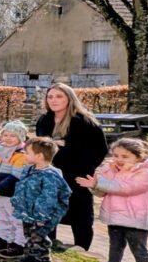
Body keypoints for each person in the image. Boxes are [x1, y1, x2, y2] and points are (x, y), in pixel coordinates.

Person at [34, 82, 107, 251]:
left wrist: (84, 167)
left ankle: (81, 247)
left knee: (80, 210)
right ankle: (48, 241)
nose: (53, 100)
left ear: (69, 98)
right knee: (49, 207)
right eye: (50, 97)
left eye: (59, 96)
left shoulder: (84, 121)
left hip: (76, 173)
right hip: (50, 173)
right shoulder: (44, 120)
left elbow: (100, 149)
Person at [76, 138, 148, 262]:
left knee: (138, 248)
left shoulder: (145, 173)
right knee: (115, 245)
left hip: (135, 219)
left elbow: (125, 188)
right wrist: (94, 186)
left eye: (125, 156)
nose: (119, 159)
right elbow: (102, 192)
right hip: (115, 216)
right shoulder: (109, 169)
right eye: (116, 155)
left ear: (139, 156)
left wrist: (98, 183)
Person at [10, 137, 72, 262]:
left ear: (39, 156)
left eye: (27, 152)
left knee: (39, 237)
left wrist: (41, 216)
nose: (24, 154)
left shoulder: (50, 176)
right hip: (28, 211)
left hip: (42, 215)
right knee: (29, 234)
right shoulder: (29, 170)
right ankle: (30, 256)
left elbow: (48, 199)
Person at [0, 121, 29, 259]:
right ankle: (3, 238)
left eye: (13, 136)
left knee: (16, 220)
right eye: (6, 135)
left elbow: (15, 176)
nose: (8, 138)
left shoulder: (20, 155)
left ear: (20, 138)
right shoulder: (0, 151)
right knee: (2, 217)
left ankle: (19, 244)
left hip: (12, 194)